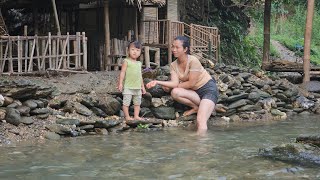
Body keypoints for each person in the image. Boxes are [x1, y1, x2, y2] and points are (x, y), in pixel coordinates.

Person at [146, 36, 219, 134]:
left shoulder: (193, 61)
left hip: (207, 89)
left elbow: (191, 83)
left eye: (177, 47)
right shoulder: (173, 65)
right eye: (172, 47)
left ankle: (201, 146)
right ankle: (196, 107)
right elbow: (175, 83)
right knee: (175, 92)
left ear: (185, 49)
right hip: (194, 92)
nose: (173, 49)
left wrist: (174, 85)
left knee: (200, 120)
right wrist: (157, 82)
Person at [118, 40, 146, 121]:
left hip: (137, 87)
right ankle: (127, 117)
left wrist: (143, 87)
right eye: (133, 50)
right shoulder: (126, 61)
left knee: (137, 103)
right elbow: (122, 73)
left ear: (140, 52)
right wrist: (120, 83)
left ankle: (136, 116)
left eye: (137, 50)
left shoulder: (139, 63)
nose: (135, 52)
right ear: (128, 50)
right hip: (128, 86)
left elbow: (140, 76)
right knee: (126, 103)